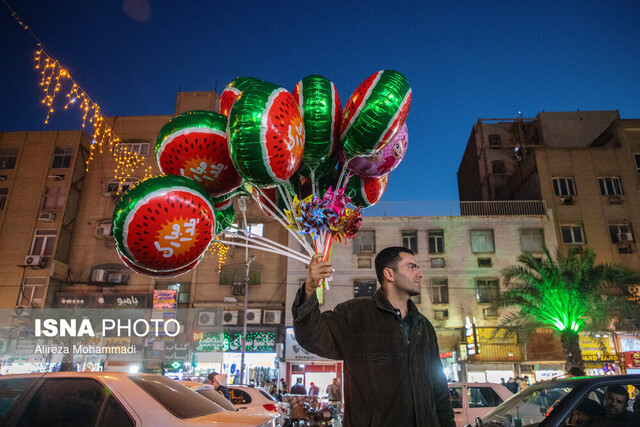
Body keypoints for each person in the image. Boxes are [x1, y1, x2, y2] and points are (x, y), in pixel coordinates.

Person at [292, 247, 455, 426]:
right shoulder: (355, 315)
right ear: (389, 274)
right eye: (411, 267)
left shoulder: (424, 327)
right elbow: (312, 337)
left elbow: (440, 392)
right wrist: (309, 289)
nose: (420, 274)